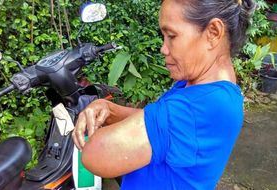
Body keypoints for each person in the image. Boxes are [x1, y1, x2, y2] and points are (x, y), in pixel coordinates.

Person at [72, 0, 255, 189]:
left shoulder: (195, 107)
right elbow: (158, 126)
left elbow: (96, 154)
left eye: (172, 36)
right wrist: (110, 110)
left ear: (213, 33)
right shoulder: (213, 91)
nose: (163, 48)